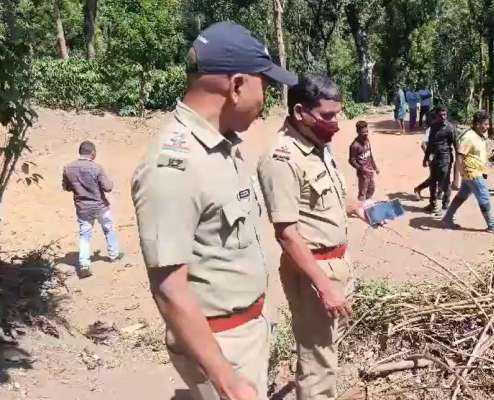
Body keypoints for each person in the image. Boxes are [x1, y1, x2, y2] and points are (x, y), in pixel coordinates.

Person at [131, 22, 297, 400]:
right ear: (237, 85)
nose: (266, 100)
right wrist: (228, 381)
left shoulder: (223, 144)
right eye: (265, 87)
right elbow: (171, 289)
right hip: (221, 346)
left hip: (244, 332)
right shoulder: (174, 165)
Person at [257, 73, 361, 400]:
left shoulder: (317, 146)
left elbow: (321, 201)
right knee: (317, 359)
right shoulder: (281, 158)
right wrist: (325, 286)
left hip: (335, 264)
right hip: (313, 272)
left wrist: (357, 207)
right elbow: (286, 233)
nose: (336, 123)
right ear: (301, 112)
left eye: (338, 114)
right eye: (328, 116)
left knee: (327, 350)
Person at [62, 140, 123, 278]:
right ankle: (114, 255)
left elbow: (66, 187)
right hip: (100, 206)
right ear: (93, 153)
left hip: (82, 208)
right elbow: (108, 187)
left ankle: (84, 264)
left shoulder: (68, 168)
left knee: (85, 236)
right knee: (108, 228)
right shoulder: (97, 168)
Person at [442, 110, 494, 234]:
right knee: (484, 197)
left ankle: (447, 218)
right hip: (472, 173)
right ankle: (492, 225)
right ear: (477, 124)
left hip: (474, 172)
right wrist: (456, 178)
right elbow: (459, 156)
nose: (487, 126)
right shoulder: (468, 136)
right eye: (485, 124)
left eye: (488, 124)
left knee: (461, 196)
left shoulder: (478, 135)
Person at [422, 106, 458, 214]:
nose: (443, 117)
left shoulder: (450, 128)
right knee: (433, 182)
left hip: (446, 158)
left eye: (445, 115)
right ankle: (432, 204)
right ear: (436, 116)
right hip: (434, 158)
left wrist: (459, 161)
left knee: (445, 182)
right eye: (441, 115)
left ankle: (445, 204)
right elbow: (429, 145)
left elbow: (456, 145)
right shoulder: (433, 127)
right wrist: (425, 158)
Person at [349, 120, 379, 201]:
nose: (366, 134)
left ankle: (366, 204)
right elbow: (351, 160)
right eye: (363, 132)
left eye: (367, 132)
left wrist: (375, 167)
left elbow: (370, 154)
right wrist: (361, 168)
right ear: (358, 132)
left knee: (372, 189)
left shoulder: (367, 140)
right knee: (362, 192)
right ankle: (361, 208)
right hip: (363, 174)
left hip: (370, 171)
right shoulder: (354, 146)